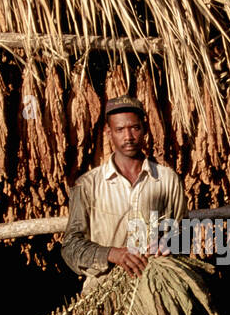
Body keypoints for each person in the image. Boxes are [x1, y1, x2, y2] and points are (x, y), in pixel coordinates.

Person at [61, 95, 187, 291]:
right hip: (104, 289)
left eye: (134, 128)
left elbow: (183, 232)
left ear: (144, 129)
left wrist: (169, 244)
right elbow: (70, 246)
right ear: (108, 132)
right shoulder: (88, 184)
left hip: (155, 286)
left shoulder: (168, 180)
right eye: (120, 130)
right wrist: (112, 254)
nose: (128, 137)